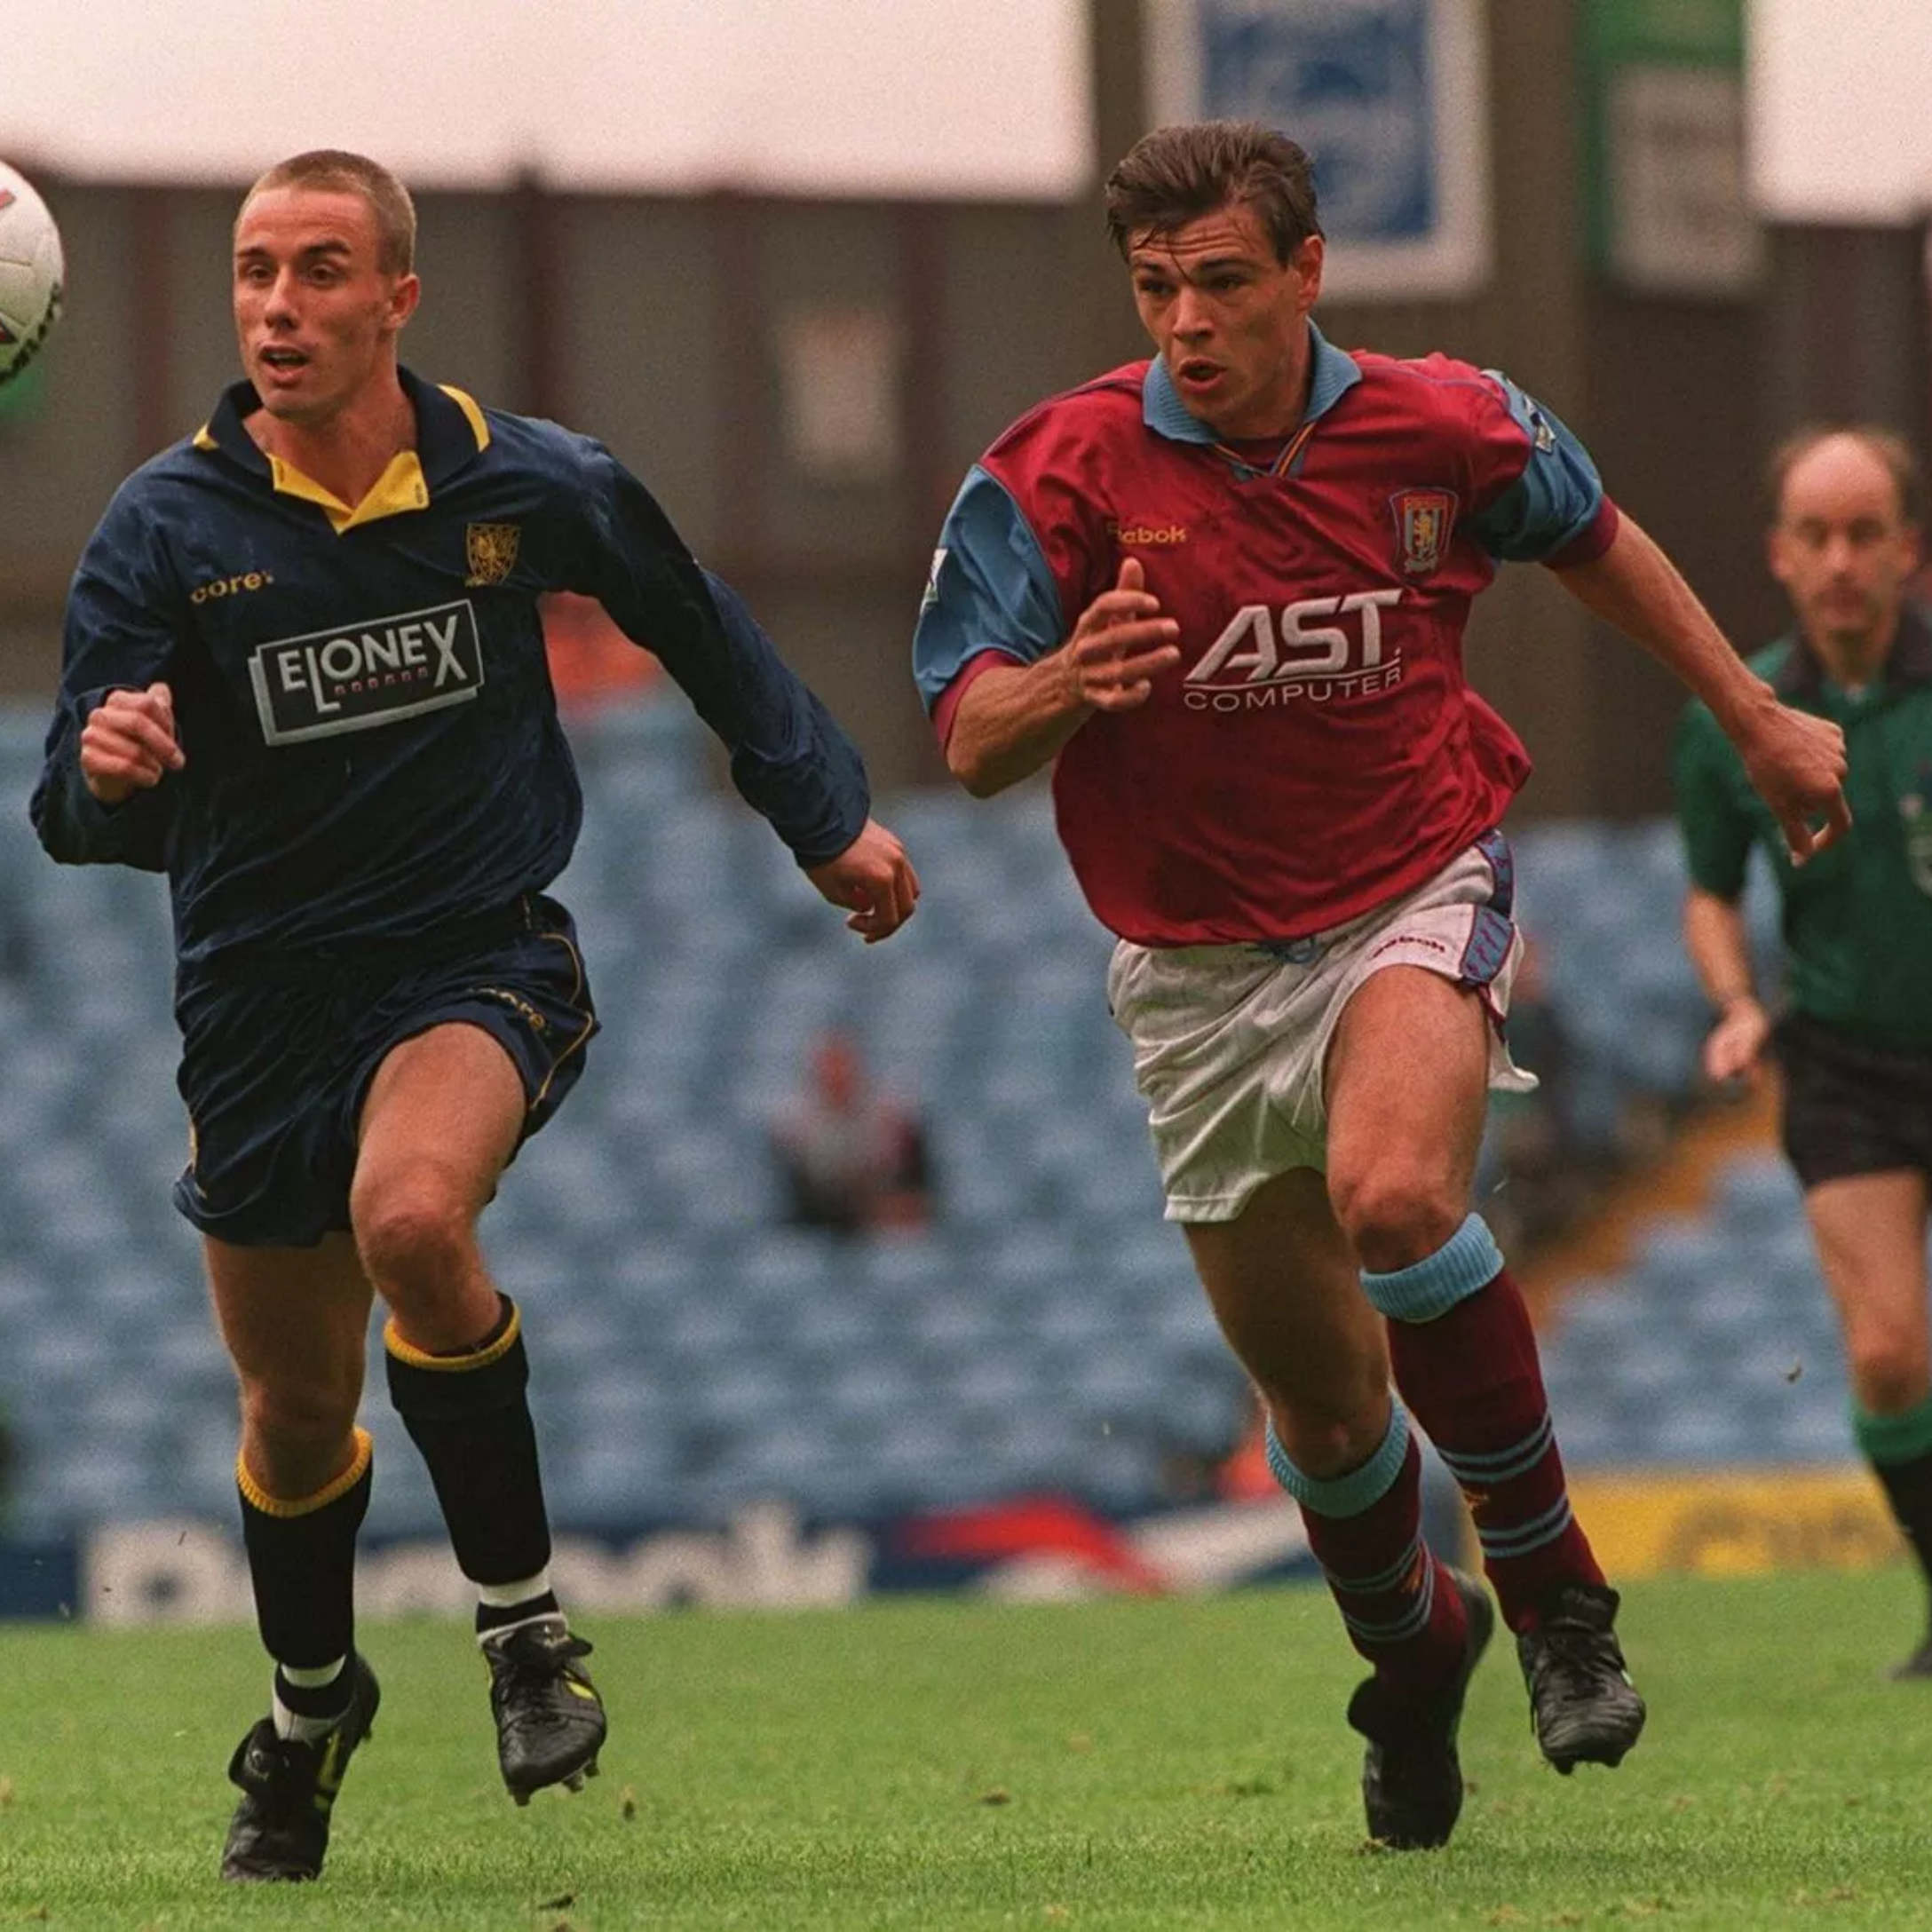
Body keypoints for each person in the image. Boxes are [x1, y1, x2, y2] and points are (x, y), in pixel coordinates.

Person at [912, 120, 1849, 1850]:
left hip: (1405, 886)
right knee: (1324, 1405)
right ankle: (1416, 1652)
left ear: (1304, 271)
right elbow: (963, 732)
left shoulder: (1443, 419)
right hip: (1191, 974)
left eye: (1218, 281)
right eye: (1153, 288)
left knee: (1397, 1194)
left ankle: (1558, 1595)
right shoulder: (1058, 468)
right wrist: (1064, 679)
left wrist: (1750, 708)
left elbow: (1599, 539)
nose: (1183, 319)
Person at [30, 149, 918, 1883]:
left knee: (412, 1212)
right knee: (295, 1407)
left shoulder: (525, 482)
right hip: (255, 1008)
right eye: (254, 272)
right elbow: (85, 812)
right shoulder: (165, 528)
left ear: (396, 298)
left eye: (317, 270)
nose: (278, 303)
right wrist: (106, 763)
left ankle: (523, 1632)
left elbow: (694, 615)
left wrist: (821, 812)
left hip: (472, 959)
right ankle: (306, 1712)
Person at [1675, 424, 1932, 1680]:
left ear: (1909, 550)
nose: (1842, 561)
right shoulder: (1737, 720)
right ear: (1780, 555)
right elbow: (1711, 894)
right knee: (1888, 1353)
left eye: (1865, 533)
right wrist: (1733, 1000)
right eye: (1816, 536)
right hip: (1844, 1064)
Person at [769, 1028, 934, 1236]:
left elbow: (917, 1180)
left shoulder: (891, 1116)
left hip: (888, 1218)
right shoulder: (795, 1126)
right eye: (829, 1067)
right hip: (825, 1223)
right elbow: (798, 1196)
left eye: (843, 1066)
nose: (837, 1076)